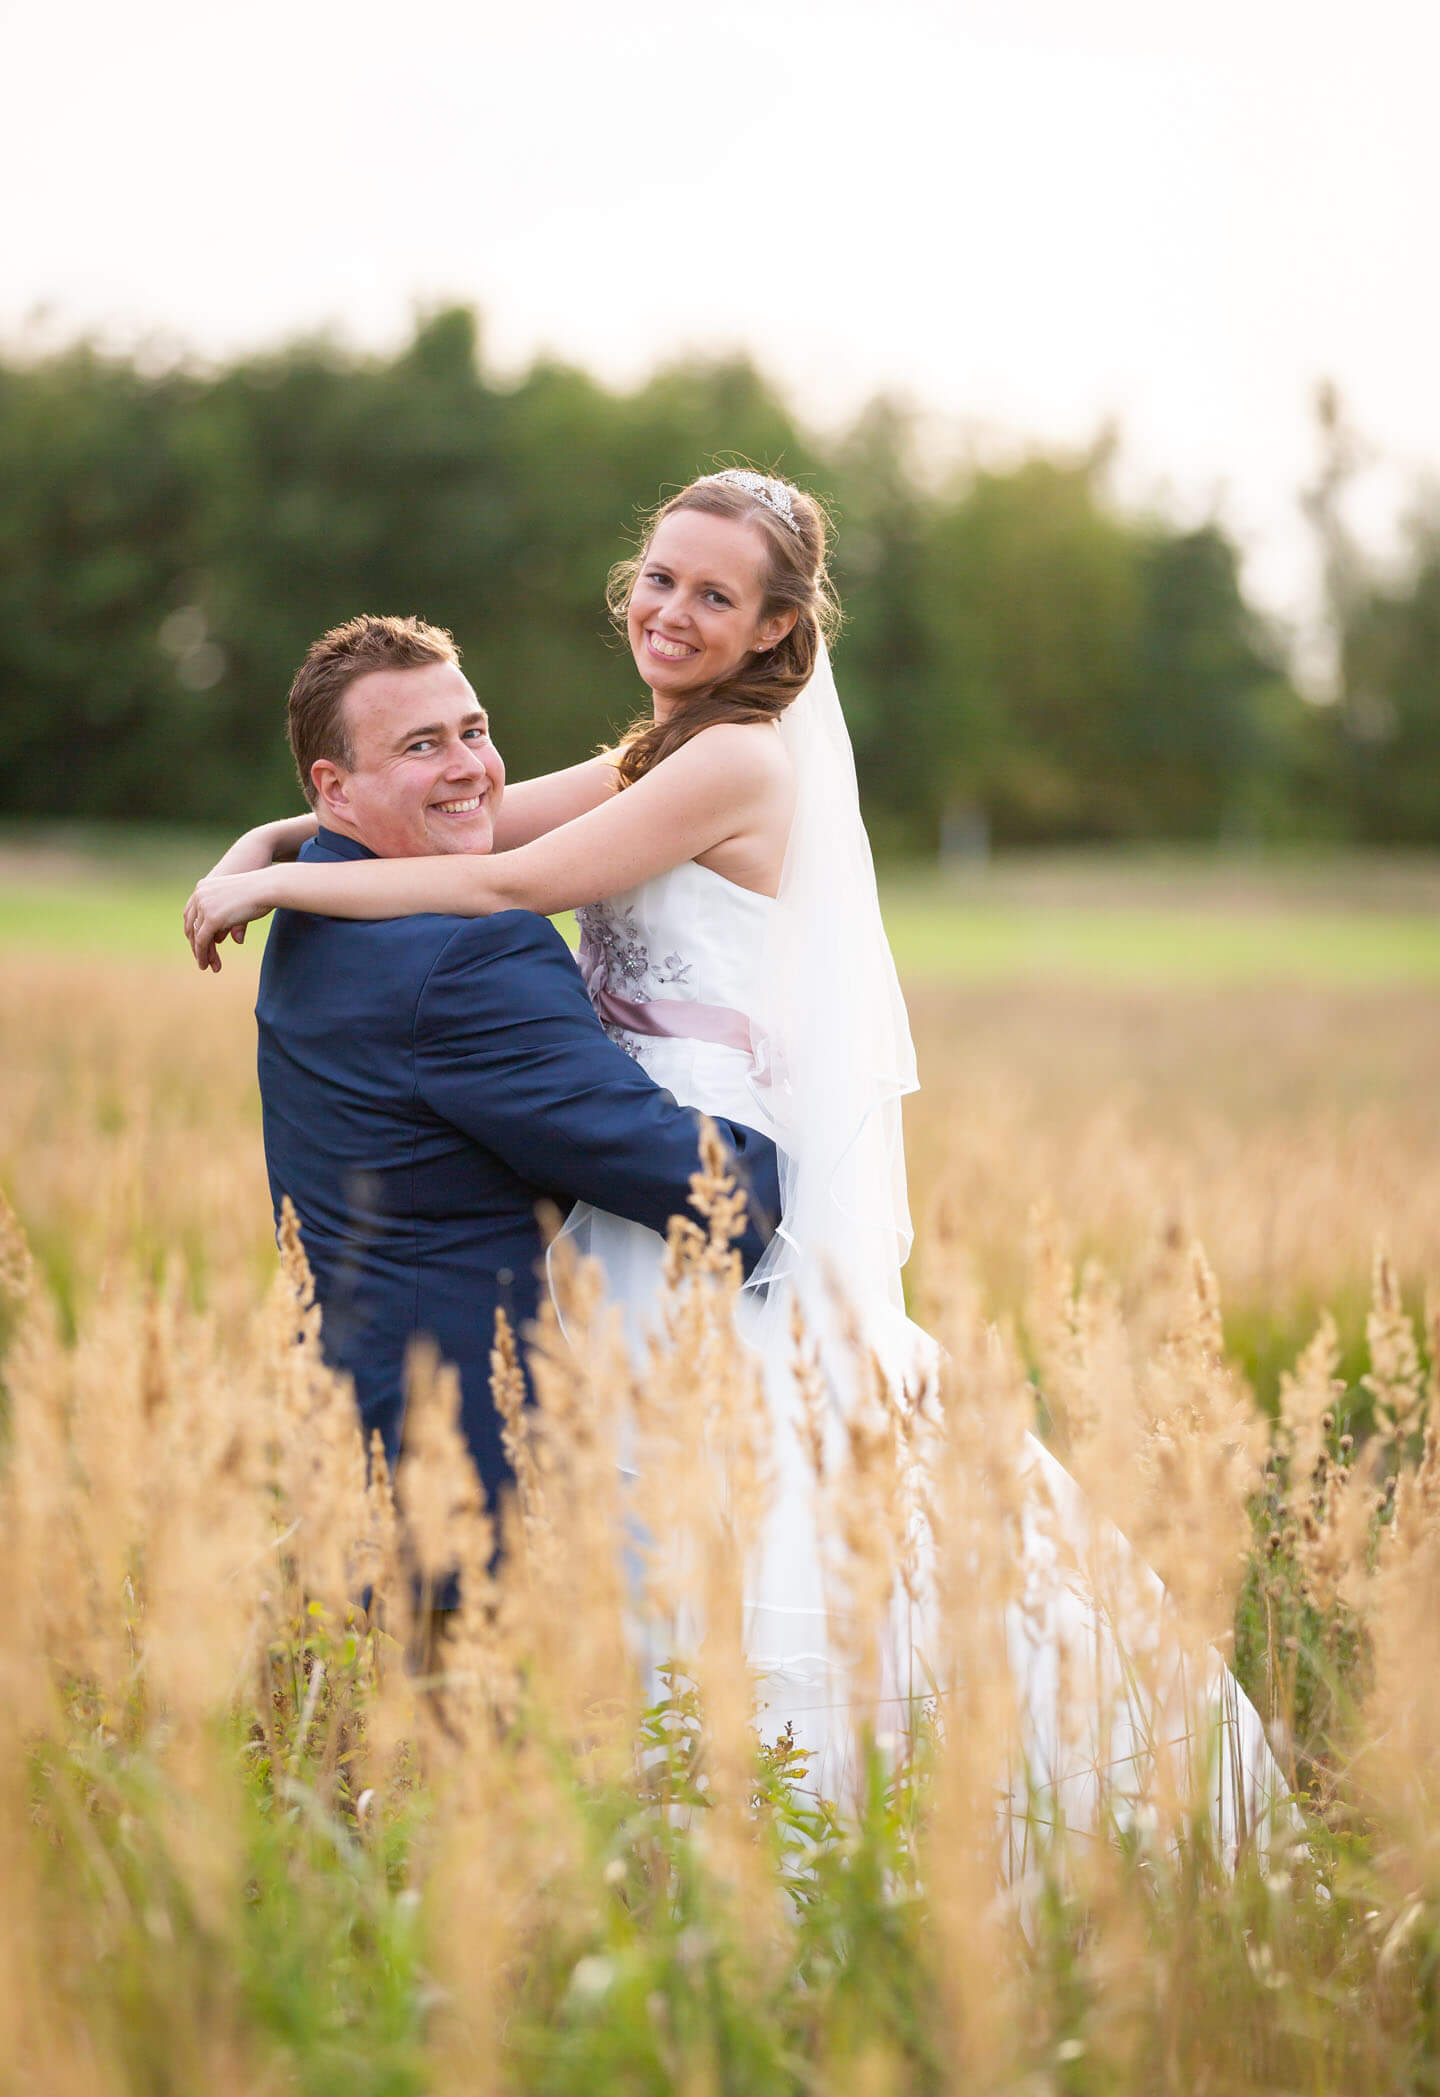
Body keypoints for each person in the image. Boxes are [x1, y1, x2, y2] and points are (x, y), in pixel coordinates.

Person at [187, 473, 1290, 1854]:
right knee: (652, 1513)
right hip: (622, 1168)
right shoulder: (660, 751)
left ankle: (832, 1833)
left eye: (717, 595)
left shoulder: (735, 759)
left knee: (761, 1508)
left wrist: (281, 886)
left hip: (695, 1165)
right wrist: (267, 840)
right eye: (659, 577)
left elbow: (503, 881)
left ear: (776, 630)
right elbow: (481, 810)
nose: (672, 611)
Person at [228, 609, 781, 1523]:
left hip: (364, 1420)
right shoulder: (466, 957)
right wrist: (821, 1187)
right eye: (421, 745)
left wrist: (264, 842)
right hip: (472, 1461)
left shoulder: (318, 907)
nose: (469, 768)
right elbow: (679, 1174)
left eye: (474, 731)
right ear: (335, 787)